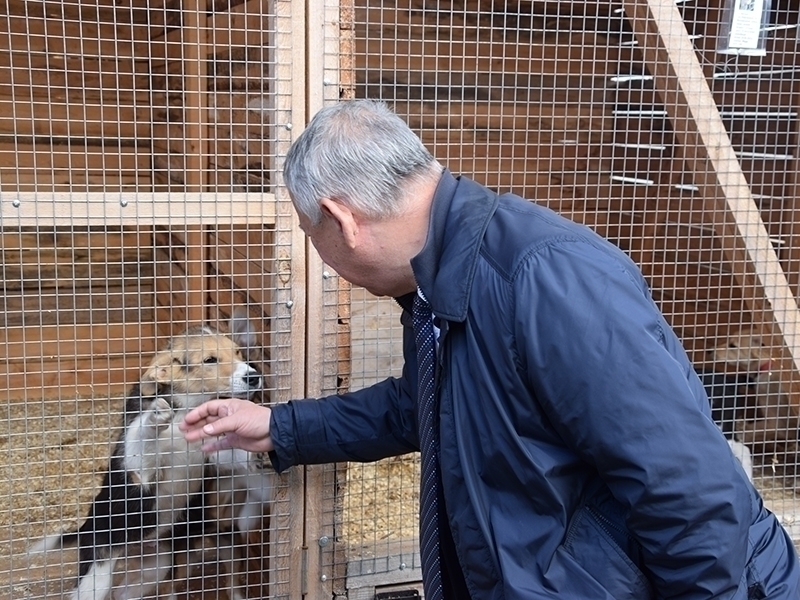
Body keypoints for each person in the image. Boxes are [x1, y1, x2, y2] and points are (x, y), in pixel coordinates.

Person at [181, 99, 800, 599]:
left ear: (340, 221)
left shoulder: (546, 277)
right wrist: (280, 426)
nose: (323, 257)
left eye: (311, 235)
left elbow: (687, 488)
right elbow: (425, 404)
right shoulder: (442, 275)